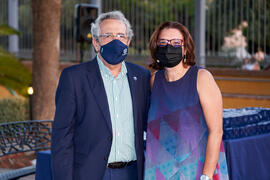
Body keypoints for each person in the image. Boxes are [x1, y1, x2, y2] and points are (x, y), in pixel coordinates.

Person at [51, 11, 150, 180]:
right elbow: (62, 139)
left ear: (128, 41)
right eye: (108, 36)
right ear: (96, 43)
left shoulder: (142, 77)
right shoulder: (74, 78)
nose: (115, 41)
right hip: (91, 174)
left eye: (121, 35)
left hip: (133, 172)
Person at [144, 21, 229, 180]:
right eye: (163, 42)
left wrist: (207, 176)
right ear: (156, 48)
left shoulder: (201, 78)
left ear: (185, 49)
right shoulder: (154, 81)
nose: (169, 47)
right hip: (159, 169)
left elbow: (216, 131)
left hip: (196, 170)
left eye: (176, 42)